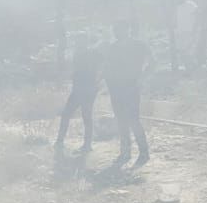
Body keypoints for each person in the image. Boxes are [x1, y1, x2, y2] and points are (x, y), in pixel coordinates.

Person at [100, 22, 153, 168]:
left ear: (128, 30)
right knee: (120, 120)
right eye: (115, 30)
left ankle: (143, 152)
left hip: (131, 87)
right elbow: (106, 66)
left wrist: (142, 78)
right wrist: (107, 82)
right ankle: (125, 152)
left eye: (119, 29)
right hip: (116, 89)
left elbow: (153, 63)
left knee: (133, 120)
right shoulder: (112, 48)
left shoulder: (139, 45)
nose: (116, 32)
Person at [55, 37, 102, 152]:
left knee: (84, 116)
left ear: (85, 43)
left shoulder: (92, 53)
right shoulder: (78, 54)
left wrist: (98, 81)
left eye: (80, 42)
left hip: (87, 90)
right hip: (79, 90)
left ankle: (86, 144)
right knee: (68, 115)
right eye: (77, 42)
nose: (77, 44)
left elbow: (102, 66)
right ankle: (60, 141)